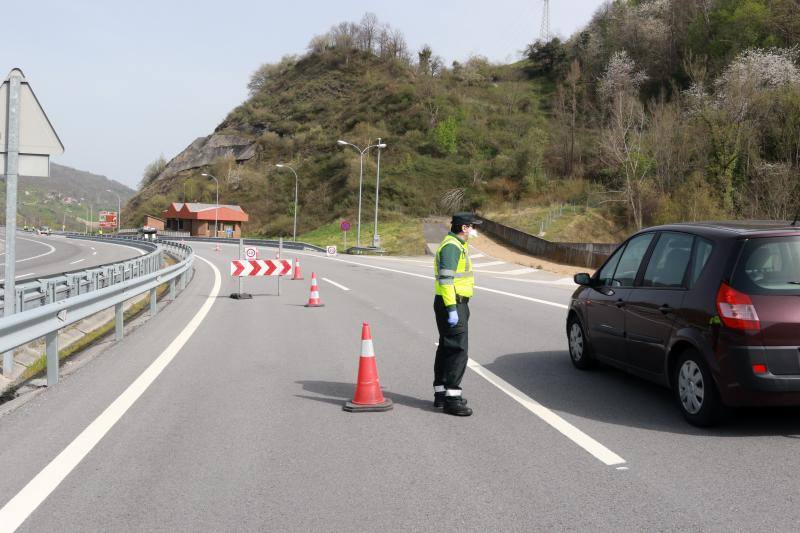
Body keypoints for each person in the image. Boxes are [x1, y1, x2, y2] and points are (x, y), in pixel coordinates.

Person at [433, 212, 481, 416]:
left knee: (447, 347)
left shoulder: (456, 245)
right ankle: (452, 398)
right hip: (452, 303)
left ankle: (442, 394)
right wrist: (452, 309)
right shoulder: (452, 247)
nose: (474, 230)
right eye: (472, 226)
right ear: (463, 228)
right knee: (457, 350)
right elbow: (446, 280)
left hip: (452, 303)